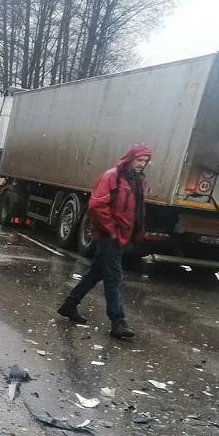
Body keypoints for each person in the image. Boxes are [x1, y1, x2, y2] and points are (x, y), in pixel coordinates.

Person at [57, 143, 152, 339]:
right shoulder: (112, 177)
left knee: (97, 273)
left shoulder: (138, 180)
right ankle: (118, 322)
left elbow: (136, 209)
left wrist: (135, 232)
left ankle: (70, 304)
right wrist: (112, 231)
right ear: (130, 158)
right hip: (110, 236)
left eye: (145, 161)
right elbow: (97, 205)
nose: (142, 164)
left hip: (121, 235)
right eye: (139, 160)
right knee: (113, 277)